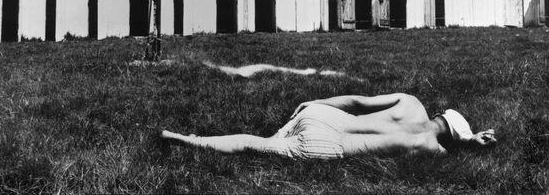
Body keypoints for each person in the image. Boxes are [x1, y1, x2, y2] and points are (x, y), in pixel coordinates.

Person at [161, 93, 496, 159]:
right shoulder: (433, 149)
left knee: (264, 140)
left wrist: (315, 103)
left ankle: (192, 136)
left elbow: (358, 102)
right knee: (256, 144)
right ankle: (191, 141)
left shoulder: (411, 104)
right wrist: (471, 141)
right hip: (328, 146)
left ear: (440, 114)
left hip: (326, 117)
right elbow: (459, 146)